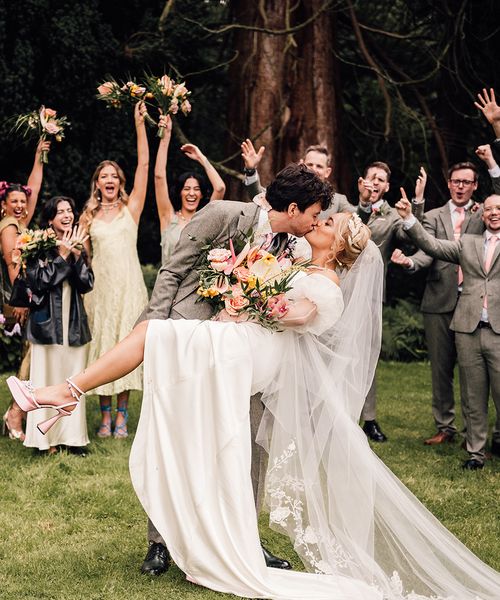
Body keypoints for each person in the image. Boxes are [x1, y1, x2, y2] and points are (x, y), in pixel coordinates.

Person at [8, 212, 500, 599]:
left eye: (326, 224)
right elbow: (268, 297)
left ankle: (66, 393)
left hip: (250, 356)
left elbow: (300, 314)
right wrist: (247, 290)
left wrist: (263, 299)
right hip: (241, 346)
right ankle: (67, 395)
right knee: (156, 344)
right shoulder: (297, 265)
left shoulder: (327, 287)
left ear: (340, 244)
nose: (317, 224)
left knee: (155, 334)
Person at [396, 191, 500, 469]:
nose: (493, 212)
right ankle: (475, 453)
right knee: (473, 394)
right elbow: (432, 245)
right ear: (482, 214)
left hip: (499, 331)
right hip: (468, 328)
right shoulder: (467, 243)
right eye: (488, 209)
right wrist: (409, 220)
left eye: (498, 208)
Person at [391, 161, 485, 445]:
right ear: (448, 183)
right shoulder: (433, 215)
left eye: (466, 182)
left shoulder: (486, 212)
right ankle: (445, 426)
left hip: (474, 299)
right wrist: (409, 262)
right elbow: (426, 249)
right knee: (441, 369)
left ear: (475, 185)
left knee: (474, 371)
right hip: (438, 299)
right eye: (456, 181)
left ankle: (474, 431)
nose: (460, 187)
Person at [80, 102, 149, 439]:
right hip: (100, 291)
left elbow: (145, 166)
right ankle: (104, 417)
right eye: (103, 176)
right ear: (97, 184)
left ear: (120, 182)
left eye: (113, 176)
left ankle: (122, 417)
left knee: (125, 347)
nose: (109, 180)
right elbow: (84, 257)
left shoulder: (131, 209)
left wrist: (140, 125)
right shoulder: (88, 216)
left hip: (129, 288)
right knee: (104, 350)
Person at [356, 161, 426, 442]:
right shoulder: (344, 208)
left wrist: (417, 204)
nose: (375, 182)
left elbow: (409, 235)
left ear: (386, 186)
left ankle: (369, 419)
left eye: (381, 179)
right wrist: (361, 205)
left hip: (371, 296)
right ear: (362, 181)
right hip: (337, 290)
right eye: (371, 176)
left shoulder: (393, 217)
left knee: (368, 357)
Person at [22, 196, 93, 455]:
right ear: (50, 219)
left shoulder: (78, 245)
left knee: (72, 382)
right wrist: (62, 256)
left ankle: (73, 439)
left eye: (69, 210)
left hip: (73, 326)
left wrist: (76, 257)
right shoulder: (36, 247)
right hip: (46, 326)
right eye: (60, 211)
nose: (67, 215)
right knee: (45, 381)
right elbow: (39, 283)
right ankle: (44, 441)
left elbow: (87, 284)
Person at [0, 139, 50, 441]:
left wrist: (39, 156)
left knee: (29, 355)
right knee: (30, 356)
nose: (21, 206)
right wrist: (21, 301)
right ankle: (15, 414)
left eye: (23, 201)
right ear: (4, 204)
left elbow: (34, 190)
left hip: (24, 297)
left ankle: (17, 412)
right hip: (15, 299)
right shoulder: (8, 226)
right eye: (14, 201)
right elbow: (12, 265)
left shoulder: (19, 222)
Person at [155, 114, 226, 265]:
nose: (192, 193)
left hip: (196, 288)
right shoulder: (167, 217)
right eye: (187, 188)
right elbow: (159, 177)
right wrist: (165, 137)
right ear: (180, 192)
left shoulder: (205, 219)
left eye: (196, 189)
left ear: (201, 194)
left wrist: (201, 157)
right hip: (168, 287)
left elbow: (219, 188)